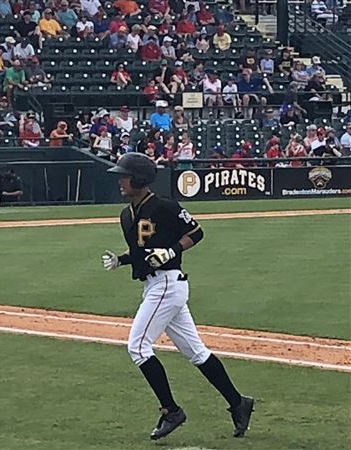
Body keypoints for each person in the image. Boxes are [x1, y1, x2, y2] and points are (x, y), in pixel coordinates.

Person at [102, 153, 254, 441]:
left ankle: (171, 411)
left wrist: (172, 251)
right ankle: (239, 403)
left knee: (137, 347)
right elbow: (140, 252)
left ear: (140, 179)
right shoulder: (127, 214)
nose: (120, 180)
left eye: (125, 175)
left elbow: (196, 232)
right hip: (155, 286)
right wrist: (122, 260)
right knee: (197, 353)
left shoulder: (165, 207)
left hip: (168, 285)